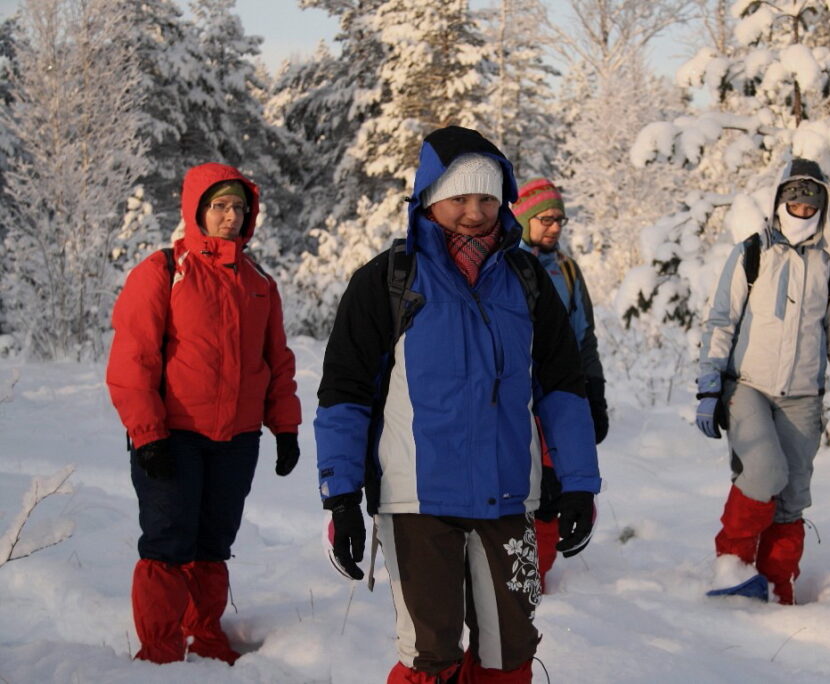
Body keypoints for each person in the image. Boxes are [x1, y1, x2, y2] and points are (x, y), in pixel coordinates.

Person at [315, 126, 601, 683]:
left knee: (509, 650)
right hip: (417, 501)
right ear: (429, 197)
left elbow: (563, 386)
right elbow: (345, 391)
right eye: (460, 198)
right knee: (431, 654)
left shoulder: (526, 282)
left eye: (487, 198)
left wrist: (579, 482)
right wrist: (342, 496)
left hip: (509, 498)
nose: (475, 212)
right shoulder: (387, 281)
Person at [107, 162, 302, 664]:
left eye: (239, 207)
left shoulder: (259, 283)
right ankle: (160, 649)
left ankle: (205, 635)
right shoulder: (164, 271)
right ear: (196, 210)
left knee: (214, 542)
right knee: (169, 540)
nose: (231, 216)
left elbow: (276, 361)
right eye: (219, 205)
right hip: (174, 435)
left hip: (236, 439)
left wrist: (285, 428)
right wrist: (147, 433)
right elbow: (134, 359)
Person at [696, 157, 830, 605]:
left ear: (823, 206)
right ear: (779, 201)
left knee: (792, 497)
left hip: (804, 397)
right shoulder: (752, 253)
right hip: (748, 386)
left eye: (812, 201)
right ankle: (731, 568)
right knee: (763, 471)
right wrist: (709, 388)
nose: (802, 209)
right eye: (795, 199)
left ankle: (777, 588)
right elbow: (721, 322)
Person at [511, 178, 607, 592]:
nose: (554, 227)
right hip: (514, 395)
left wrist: (595, 390)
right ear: (524, 218)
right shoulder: (505, 265)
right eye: (545, 218)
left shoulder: (566, 269)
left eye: (559, 219)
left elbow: (584, 335)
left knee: (554, 488)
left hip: (558, 394)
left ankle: (538, 579)